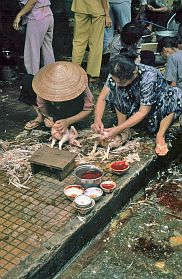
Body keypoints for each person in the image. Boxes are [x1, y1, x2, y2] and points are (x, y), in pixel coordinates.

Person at [91, 52, 182, 156]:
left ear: (133, 75)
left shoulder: (148, 77)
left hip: (155, 106)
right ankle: (123, 127)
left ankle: (160, 135)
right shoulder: (116, 71)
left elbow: (143, 112)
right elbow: (102, 98)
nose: (117, 83)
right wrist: (97, 120)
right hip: (136, 104)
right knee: (116, 90)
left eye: (121, 82)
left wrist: (116, 130)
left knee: (173, 95)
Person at [13, 0, 55, 130]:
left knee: (32, 60)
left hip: (37, 17)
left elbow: (32, 1)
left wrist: (19, 15)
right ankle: (54, 88)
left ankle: (40, 105)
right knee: (48, 55)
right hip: (48, 15)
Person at [31, 61, 94, 133]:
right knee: (27, 80)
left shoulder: (80, 83)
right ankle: (40, 117)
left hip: (73, 109)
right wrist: (47, 117)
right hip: (54, 110)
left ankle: (69, 118)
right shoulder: (44, 84)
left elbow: (89, 109)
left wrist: (68, 121)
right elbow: (42, 105)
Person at [71, 0, 112, 82]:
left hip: (80, 7)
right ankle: (92, 74)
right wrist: (107, 14)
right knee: (96, 42)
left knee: (78, 42)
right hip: (98, 8)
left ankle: (74, 70)